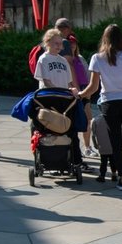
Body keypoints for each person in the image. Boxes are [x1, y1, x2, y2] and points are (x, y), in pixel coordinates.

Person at [79, 24, 122, 191]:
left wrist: (80, 94)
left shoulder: (97, 58)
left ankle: (121, 177)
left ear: (104, 39)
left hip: (109, 102)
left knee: (115, 141)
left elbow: (93, 87)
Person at [33, 27, 84, 167]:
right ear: (47, 43)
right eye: (56, 43)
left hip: (63, 99)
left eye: (60, 44)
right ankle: (43, 158)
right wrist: (55, 90)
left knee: (70, 129)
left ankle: (75, 160)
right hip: (48, 98)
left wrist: (72, 90)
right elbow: (45, 80)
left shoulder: (63, 61)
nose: (59, 47)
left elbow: (68, 82)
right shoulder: (43, 59)